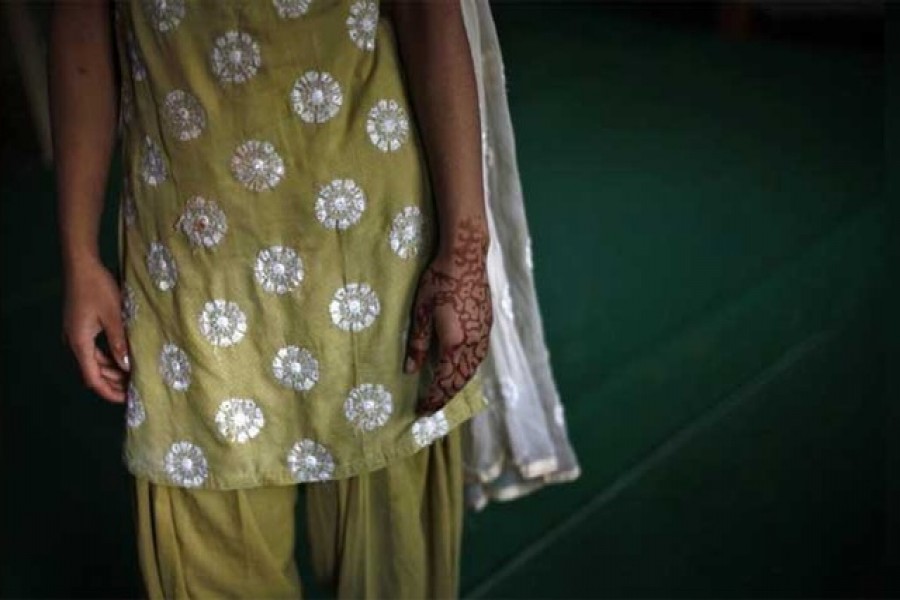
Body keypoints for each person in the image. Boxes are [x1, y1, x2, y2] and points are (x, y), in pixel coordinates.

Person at [50, 0, 495, 597]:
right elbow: (80, 27)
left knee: (395, 558)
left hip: (371, 241)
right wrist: (79, 256)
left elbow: (429, 12)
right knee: (210, 543)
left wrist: (465, 253)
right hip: (190, 258)